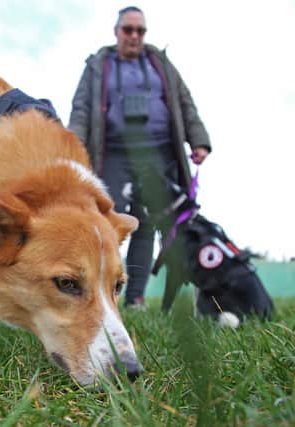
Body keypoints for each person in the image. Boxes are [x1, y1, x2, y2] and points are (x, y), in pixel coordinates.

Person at [68, 6, 212, 308]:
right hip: (113, 155)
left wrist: (198, 140)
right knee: (107, 222)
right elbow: (81, 109)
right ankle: (101, 295)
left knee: (146, 224)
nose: (134, 36)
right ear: (116, 32)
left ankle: (135, 298)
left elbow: (184, 102)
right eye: (128, 30)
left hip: (158, 153)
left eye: (140, 30)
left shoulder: (161, 63)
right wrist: (73, 147)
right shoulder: (98, 65)